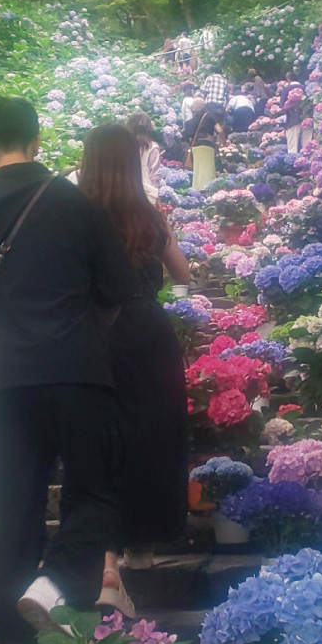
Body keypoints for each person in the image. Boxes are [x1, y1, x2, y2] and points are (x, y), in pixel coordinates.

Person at [0, 95, 138, 644]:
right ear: (38, 141)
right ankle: (57, 586)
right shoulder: (78, 205)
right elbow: (122, 291)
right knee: (97, 490)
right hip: (77, 373)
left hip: (0, 383)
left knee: (15, 515)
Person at [77, 126, 191, 570]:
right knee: (155, 434)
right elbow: (183, 274)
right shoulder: (149, 215)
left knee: (102, 436)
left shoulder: (75, 216)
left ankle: (107, 547)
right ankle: (144, 547)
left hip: (93, 330)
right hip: (146, 330)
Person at [126, 110, 162, 204]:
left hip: (126, 191)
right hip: (146, 194)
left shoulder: (123, 146)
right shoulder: (152, 147)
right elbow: (155, 174)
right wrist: (157, 197)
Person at [185, 100, 223, 190]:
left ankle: (197, 191)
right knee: (208, 170)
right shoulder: (209, 117)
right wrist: (222, 141)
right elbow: (220, 130)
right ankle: (209, 191)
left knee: (198, 172)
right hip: (207, 146)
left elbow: (186, 137)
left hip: (195, 148)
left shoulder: (189, 122)